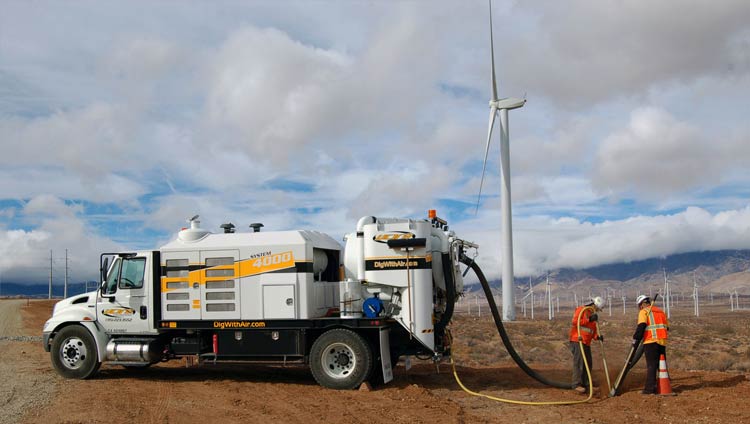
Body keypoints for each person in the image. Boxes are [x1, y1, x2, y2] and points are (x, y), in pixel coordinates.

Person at [631, 295, 669, 395]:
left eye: (639, 306)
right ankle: (664, 387)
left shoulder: (644, 312)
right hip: (662, 342)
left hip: (651, 341)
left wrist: (635, 339)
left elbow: (641, 327)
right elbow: (667, 327)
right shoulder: (661, 312)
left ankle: (649, 389)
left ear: (641, 304)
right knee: (661, 366)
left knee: (651, 366)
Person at [569, 296, 605, 393]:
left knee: (588, 363)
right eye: (598, 308)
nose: (597, 311)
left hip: (586, 342)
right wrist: (589, 319)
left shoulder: (592, 316)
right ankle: (576, 384)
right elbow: (575, 322)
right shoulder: (582, 310)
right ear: (594, 305)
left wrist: (598, 337)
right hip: (577, 340)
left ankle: (587, 385)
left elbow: (591, 331)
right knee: (579, 363)